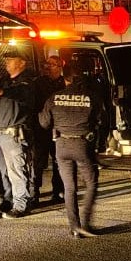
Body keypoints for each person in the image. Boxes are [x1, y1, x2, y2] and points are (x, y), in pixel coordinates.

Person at [39, 63, 108, 238]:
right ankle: (86, 223)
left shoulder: (54, 97)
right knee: (91, 183)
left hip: (61, 145)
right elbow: (103, 121)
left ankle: (74, 227)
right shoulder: (92, 97)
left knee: (69, 187)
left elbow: (44, 123)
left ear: (66, 78)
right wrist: (101, 145)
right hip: (82, 144)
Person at [0, 48, 38, 219]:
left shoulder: (26, 82)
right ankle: (9, 200)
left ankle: (21, 205)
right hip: (0, 133)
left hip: (14, 134)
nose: (7, 62)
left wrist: (5, 92)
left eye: (11, 59)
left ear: (22, 62)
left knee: (17, 170)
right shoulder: (4, 81)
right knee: (4, 170)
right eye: (7, 59)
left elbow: (23, 94)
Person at [32, 55, 66, 202]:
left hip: (59, 129)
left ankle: (58, 191)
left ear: (60, 67)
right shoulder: (38, 83)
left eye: (52, 64)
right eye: (47, 64)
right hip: (42, 129)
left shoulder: (65, 84)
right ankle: (34, 193)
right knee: (37, 162)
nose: (47, 67)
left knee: (59, 161)